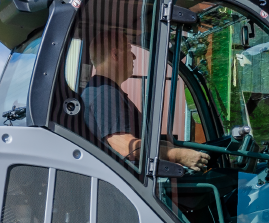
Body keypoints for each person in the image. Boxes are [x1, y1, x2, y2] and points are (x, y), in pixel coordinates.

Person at [82, 23, 207, 171]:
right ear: (115, 55)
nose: (134, 56)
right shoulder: (103, 94)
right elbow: (126, 147)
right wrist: (178, 155)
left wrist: (178, 147)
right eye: (129, 50)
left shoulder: (105, 91)